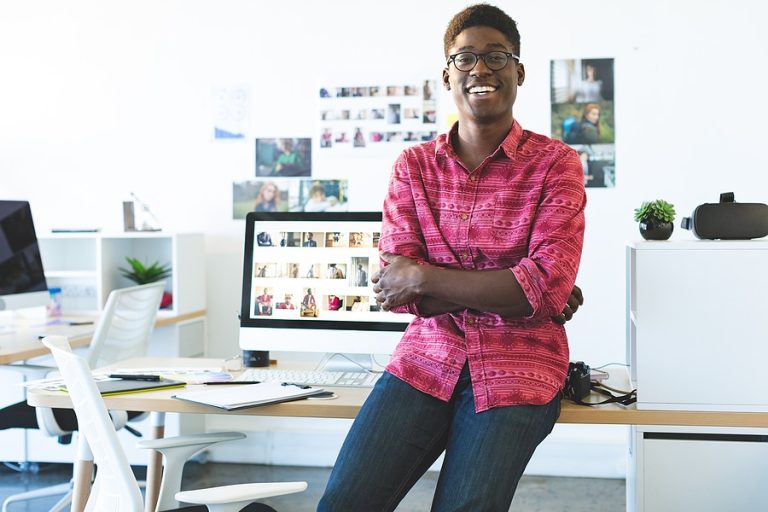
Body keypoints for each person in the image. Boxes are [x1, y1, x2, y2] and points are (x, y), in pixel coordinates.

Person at [317, 5, 586, 511]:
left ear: (519, 71)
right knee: (343, 503)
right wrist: (512, 289)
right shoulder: (414, 167)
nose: (479, 70)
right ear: (447, 74)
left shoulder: (556, 165)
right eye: (464, 58)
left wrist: (426, 276)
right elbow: (397, 289)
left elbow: (547, 288)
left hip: (518, 367)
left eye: (496, 57)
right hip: (426, 360)